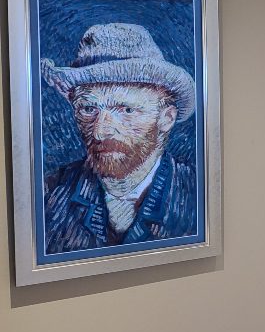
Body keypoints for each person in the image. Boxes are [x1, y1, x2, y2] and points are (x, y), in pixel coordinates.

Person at [41, 23, 198, 254]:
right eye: (88, 109)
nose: (100, 131)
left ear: (166, 119)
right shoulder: (49, 196)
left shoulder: (196, 194)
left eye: (126, 110)